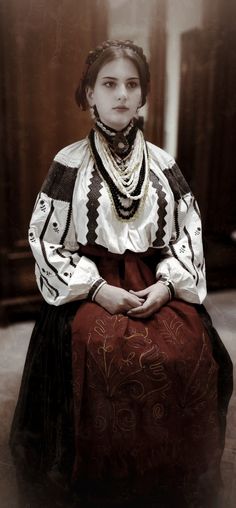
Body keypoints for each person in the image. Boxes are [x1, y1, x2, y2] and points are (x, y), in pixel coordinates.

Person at [10, 40, 233, 508]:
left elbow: (187, 232)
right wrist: (96, 289)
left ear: (144, 95)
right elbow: (46, 240)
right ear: (89, 93)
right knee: (101, 349)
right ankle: (101, 478)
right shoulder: (69, 165)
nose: (121, 95)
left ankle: (173, 472)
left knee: (189, 348)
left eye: (132, 85)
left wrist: (169, 283)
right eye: (108, 84)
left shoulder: (164, 165)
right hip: (91, 287)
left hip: (153, 278)